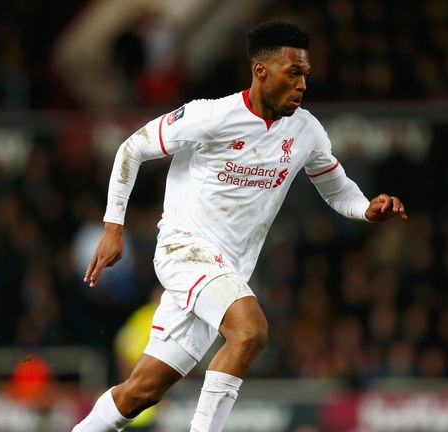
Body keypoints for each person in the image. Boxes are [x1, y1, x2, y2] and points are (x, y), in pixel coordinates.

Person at [73, 20, 407, 432]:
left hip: (226, 273)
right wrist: (113, 228)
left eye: (306, 75)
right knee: (250, 331)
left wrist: (366, 209)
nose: (303, 85)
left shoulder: (306, 130)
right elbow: (133, 147)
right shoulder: (210, 116)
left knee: (141, 391)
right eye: (294, 73)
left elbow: (336, 187)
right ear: (261, 70)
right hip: (186, 251)